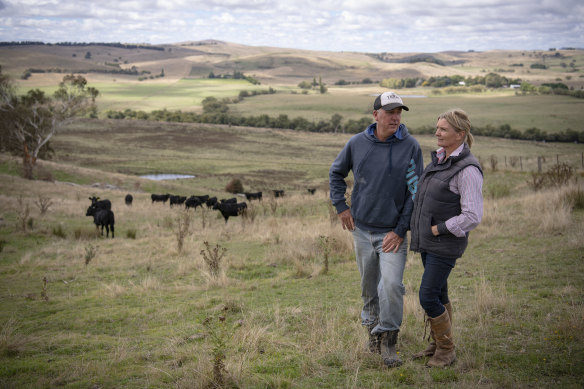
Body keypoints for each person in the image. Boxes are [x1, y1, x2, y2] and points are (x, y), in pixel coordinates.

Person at [329, 91, 423, 367]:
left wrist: (400, 229)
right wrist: (341, 206)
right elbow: (336, 173)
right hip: (361, 230)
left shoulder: (410, 146)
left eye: (399, 112)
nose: (395, 117)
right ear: (376, 115)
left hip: (392, 233)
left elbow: (414, 193)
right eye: (390, 112)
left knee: (391, 285)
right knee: (369, 289)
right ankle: (372, 337)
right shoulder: (357, 143)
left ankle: (390, 342)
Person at [410, 108, 483, 367]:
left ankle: (447, 350)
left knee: (427, 295)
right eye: (437, 127)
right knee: (439, 294)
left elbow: (473, 215)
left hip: (444, 242)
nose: (437, 132)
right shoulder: (440, 160)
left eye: (443, 129)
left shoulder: (467, 170)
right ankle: (438, 343)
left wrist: (438, 229)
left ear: (460, 134)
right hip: (429, 243)